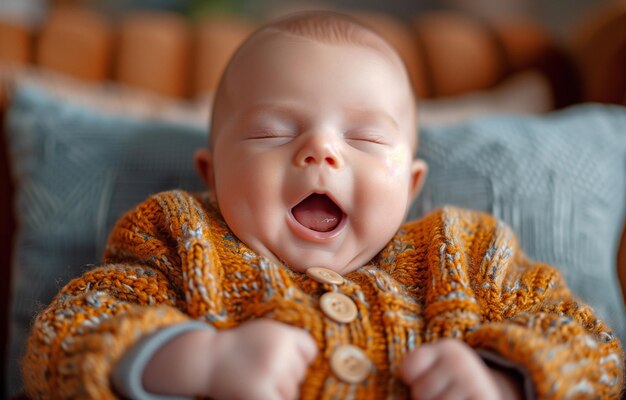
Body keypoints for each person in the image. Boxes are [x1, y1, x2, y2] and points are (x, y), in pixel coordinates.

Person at [22, 11, 623, 400]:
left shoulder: (467, 256)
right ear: (214, 174)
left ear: (411, 186)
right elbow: (64, 334)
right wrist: (198, 361)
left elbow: (593, 346)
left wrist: (505, 382)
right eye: (271, 133)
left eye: (363, 139)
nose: (320, 153)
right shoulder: (179, 239)